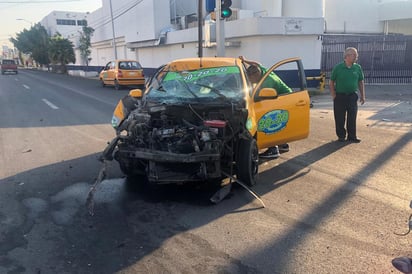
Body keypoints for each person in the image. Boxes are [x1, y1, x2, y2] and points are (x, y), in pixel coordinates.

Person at [240, 56, 292, 159]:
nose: (250, 81)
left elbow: (257, 98)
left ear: (256, 75)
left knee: (268, 120)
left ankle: (273, 149)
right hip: (285, 98)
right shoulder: (263, 71)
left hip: (285, 100)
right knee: (277, 122)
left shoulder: (267, 82)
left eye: (250, 79)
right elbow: (257, 63)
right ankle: (283, 144)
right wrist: (245, 60)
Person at [329, 47, 366, 143]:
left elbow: (361, 81)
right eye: (353, 55)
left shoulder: (357, 68)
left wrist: (363, 95)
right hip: (340, 96)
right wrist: (333, 94)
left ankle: (352, 136)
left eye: (356, 55)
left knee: (352, 117)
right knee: (340, 117)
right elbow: (331, 81)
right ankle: (341, 136)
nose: (355, 57)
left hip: (352, 96)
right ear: (346, 56)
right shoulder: (338, 67)